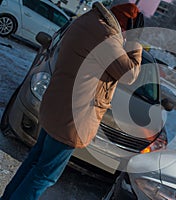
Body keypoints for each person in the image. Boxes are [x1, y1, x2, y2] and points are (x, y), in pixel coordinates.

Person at [0, 2, 144, 199]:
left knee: (35, 162)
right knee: (44, 175)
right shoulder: (107, 38)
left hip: (56, 106)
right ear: (125, 25)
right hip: (73, 117)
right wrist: (135, 42)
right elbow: (129, 74)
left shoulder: (87, 22)